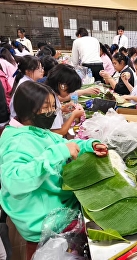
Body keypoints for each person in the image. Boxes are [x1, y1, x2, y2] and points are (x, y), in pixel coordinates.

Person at [0, 81, 108, 260]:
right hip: (42, 222)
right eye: (45, 108)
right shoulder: (17, 141)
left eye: (52, 107)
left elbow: (64, 143)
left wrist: (90, 145)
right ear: (27, 109)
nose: (50, 112)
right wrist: (58, 153)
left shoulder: (37, 130)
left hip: (55, 209)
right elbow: (14, 182)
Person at [45, 64, 88, 135]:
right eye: (71, 90)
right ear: (63, 86)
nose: (70, 93)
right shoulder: (49, 100)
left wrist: (62, 109)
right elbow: (57, 133)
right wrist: (73, 115)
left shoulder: (51, 94)